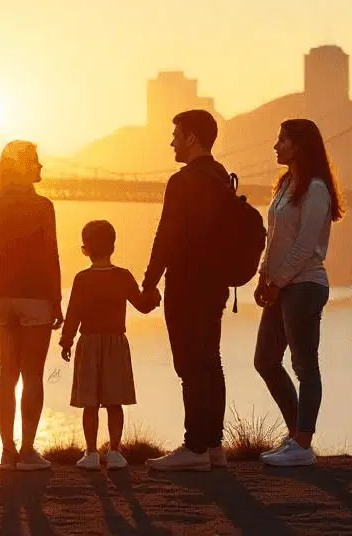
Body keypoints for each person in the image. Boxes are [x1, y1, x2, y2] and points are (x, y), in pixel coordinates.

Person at [143, 109, 234, 472]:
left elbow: (167, 234)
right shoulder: (222, 177)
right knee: (211, 361)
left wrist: (149, 281)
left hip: (186, 284)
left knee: (190, 365)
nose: (172, 142)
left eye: (176, 134)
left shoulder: (183, 181)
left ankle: (194, 447)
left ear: (192, 137)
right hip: (215, 285)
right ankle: (213, 447)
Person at [254, 118, 343, 468]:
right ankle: (296, 437)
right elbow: (272, 237)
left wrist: (278, 281)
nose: (276, 146)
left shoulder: (316, 188)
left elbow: (306, 245)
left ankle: (303, 443)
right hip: (282, 285)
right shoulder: (286, 183)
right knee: (265, 360)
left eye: (282, 140)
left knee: (305, 365)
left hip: (305, 285)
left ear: (300, 146)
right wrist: (264, 276)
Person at [0, 141, 63, 471]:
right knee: (32, 376)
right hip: (36, 298)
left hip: (2, 297)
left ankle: (6, 451)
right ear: (24, 166)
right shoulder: (44, 206)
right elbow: (52, 256)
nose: (41, 166)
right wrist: (57, 300)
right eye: (36, 162)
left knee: (5, 374)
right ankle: (28, 452)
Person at [60, 220, 158, 471]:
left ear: (85, 249)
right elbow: (142, 305)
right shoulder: (123, 276)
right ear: (113, 246)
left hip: (89, 342)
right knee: (115, 402)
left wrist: (66, 340)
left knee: (89, 403)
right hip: (116, 342)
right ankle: (114, 451)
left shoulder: (82, 278)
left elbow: (73, 313)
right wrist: (154, 296)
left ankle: (91, 452)